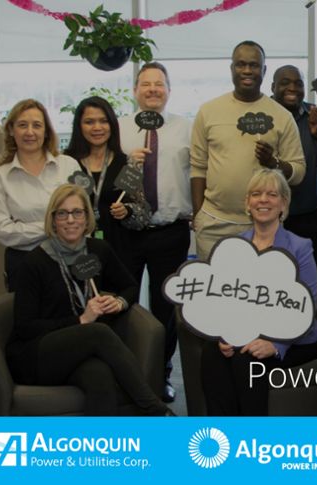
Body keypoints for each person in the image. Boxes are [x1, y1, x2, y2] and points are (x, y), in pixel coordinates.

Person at [7, 184, 171, 416]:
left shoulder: (97, 250)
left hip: (80, 352)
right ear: (53, 220)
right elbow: (25, 327)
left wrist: (119, 302)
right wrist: (81, 320)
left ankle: (101, 438)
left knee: (99, 375)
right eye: (62, 213)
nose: (70, 220)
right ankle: (155, 408)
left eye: (77, 212)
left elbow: (130, 286)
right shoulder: (34, 262)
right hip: (36, 355)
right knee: (97, 331)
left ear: (87, 218)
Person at [200, 169, 317, 415]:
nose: (263, 200)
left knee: (247, 362)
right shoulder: (235, 246)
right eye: (256, 194)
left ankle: (253, 434)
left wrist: (276, 345)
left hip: (294, 339)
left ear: (283, 204)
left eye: (271, 195)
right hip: (248, 331)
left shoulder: (300, 247)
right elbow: (226, 301)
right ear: (247, 203)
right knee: (213, 354)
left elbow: (308, 308)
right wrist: (224, 334)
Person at [119, 61, 193, 404]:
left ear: (169, 90)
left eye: (159, 84)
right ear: (135, 90)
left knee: (166, 307)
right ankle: (128, 374)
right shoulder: (119, 128)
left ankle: (161, 372)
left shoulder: (186, 128)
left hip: (170, 231)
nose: (152, 90)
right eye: (146, 84)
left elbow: (199, 173)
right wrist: (127, 163)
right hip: (127, 231)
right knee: (125, 303)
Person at [191, 40, 306, 260]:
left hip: (265, 224)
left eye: (253, 65)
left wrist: (274, 163)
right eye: (240, 64)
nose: (247, 70)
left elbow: (299, 171)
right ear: (231, 68)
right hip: (214, 224)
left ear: (264, 70)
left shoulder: (282, 116)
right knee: (214, 282)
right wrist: (198, 214)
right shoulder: (208, 111)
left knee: (263, 283)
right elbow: (197, 167)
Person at [0, 99, 80, 289]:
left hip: (69, 258)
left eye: (37, 125)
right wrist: (54, 226)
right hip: (23, 263)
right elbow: (2, 231)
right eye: (22, 125)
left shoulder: (69, 166)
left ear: (46, 131)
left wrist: (26, 227)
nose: (30, 132)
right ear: (11, 130)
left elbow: (82, 216)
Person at [64, 96, 149, 271]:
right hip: (76, 250)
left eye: (103, 121)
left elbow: (143, 213)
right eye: (89, 122)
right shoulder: (66, 163)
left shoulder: (126, 164)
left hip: (119, 251)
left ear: (112, 125)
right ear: (79, 126)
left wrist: (127, 211)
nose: (97, 127)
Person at [271, 65, 317, 280]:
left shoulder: (316, 114)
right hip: (270, 218)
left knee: (312, 277)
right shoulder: (262, 115)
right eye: (285, 83)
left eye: (298, 83)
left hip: (309, 215)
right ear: (273, 87)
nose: (292, 88)